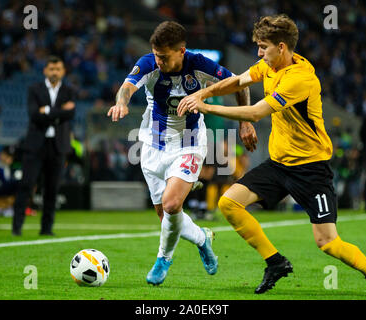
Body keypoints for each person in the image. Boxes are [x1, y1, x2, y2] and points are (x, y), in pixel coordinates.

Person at [178, 14, 366, 297]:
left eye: (263, 47)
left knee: (327, 242)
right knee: (229, 204)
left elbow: (256, 112)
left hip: (311, 169)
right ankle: (275, 262)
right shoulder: (268, 66)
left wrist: (206, 107)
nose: (258, 52)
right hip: (279, 164)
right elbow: (238, 82)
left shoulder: (300, 79)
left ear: (281, 46)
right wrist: (203, 94)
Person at [107, 21, 257, 286]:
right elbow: (127, 87)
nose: (158, 61)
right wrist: (121, 103)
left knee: (172, 204)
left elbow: (239, 84)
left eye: (164, 57)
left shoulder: (200, 65)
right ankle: (202, 238)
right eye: (156, 55)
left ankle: (163, 259)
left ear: (181, 51)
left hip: (189, 143)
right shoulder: (148, 63)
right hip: (152, 145)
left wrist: (245, 122)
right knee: (166, 216)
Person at [12, 56, 76, 236]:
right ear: (45, 71)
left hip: (57, 147)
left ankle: (46, 230)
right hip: (35, 145)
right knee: (26, 185)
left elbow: (71, 114)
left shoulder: (69, 90)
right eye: (51, 69)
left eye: (58, 69)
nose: (54, 72)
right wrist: (59, 112)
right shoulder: (34, 89)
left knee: (52, 189)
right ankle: (17, 228)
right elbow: (34, 114)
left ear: (63, 71)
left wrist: (46, 110)